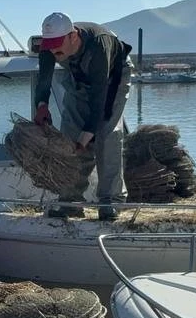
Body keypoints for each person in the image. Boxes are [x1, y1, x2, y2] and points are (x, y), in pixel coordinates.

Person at [32, 12, 134, 221]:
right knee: (69, 136)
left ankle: (110, 201)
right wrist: (41, 106)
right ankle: (70, 201)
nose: (53, 49)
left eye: (58, 44)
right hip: (78, 77)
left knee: (107, 135)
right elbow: (44, 79)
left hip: (112, 78)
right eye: (49, 45)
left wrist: (86, 137)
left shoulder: (99, 45)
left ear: (73, 37)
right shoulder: (49, 47)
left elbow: (99, 99)